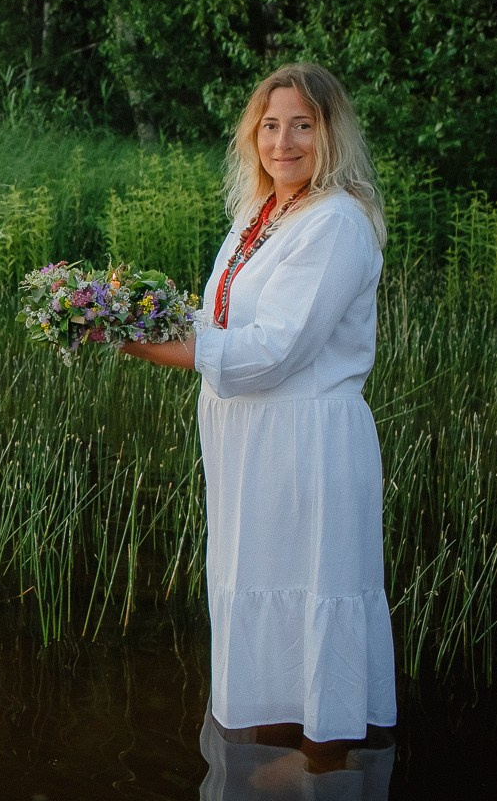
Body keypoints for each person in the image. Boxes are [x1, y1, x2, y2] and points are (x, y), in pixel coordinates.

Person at [121, 63, 396, 773]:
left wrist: (153, 350)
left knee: (315, 587)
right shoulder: (260, 214)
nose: (284, 141)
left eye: (303, 124)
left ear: (329, 133)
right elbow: (222, 316)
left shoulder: (335, 221)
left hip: (306, 440)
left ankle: (321, 760)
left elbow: (276, 349)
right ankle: (276, 738)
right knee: (258, 583)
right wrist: (115, 308)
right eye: (271, 126)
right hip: (252, 441)